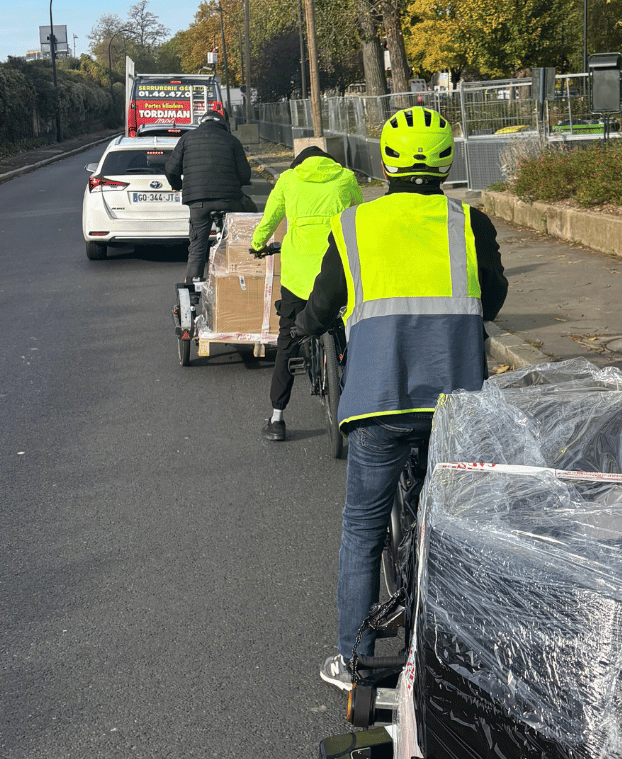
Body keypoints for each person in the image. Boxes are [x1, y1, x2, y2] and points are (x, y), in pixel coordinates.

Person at [294, 106, 508, 690]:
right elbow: (492, 302)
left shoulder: (355, 224)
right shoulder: (469, 223)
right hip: (454, 408)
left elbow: (322, 302)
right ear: (447, 161)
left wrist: (305, 326)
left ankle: (355, 659)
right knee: (452, 527)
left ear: (385, 160)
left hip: (379, 402)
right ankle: (455, 645)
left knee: (363, 530)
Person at [250, 145, 364, 441]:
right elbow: (359, 216)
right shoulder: (345, 178)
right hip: (337, 272)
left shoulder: (288, 180)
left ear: (298, 163)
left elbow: (270, 218)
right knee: (352, 332)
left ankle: (277, 419)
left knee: (287, 339)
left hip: (298, 278)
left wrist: (257, 243)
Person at [164, 110, 256, 281]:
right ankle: (235, 280)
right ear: (223, 125)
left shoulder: (187, 139)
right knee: (233, 240)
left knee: (197, 246)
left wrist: (178, 186)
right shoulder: (232, 140)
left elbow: (170, 169)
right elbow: (245, 174)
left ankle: (192, 289)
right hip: (228, 200)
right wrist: (238, 182)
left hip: (198, 203)